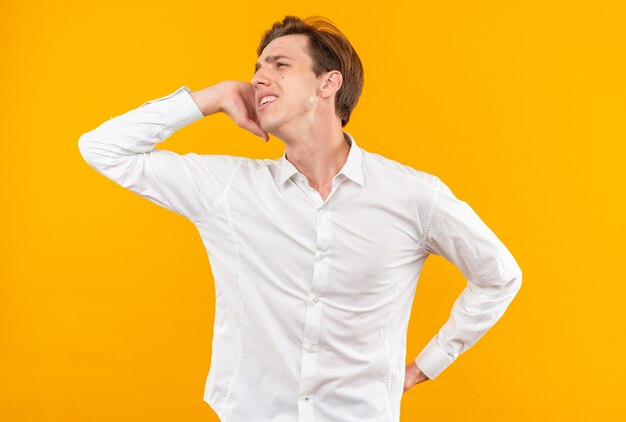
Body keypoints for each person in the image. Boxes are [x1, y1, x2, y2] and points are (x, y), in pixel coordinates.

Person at [78, 15, 522, 422]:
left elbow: (499, 277)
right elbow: (102, 149)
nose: (257, 78)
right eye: (256, 68)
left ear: (328, 84)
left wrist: (427, 365)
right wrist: (211, 98)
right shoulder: (230, 188)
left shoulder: (412, 196)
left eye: (279, 65)